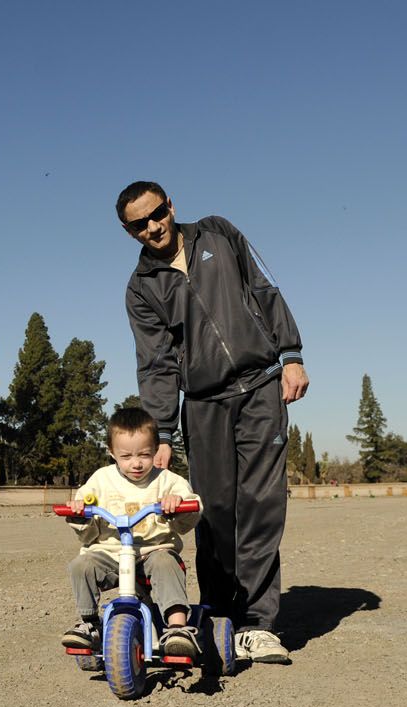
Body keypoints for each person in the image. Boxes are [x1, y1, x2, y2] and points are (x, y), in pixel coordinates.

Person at [118, 180, 309, 665]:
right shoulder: (142, 289)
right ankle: (220, 616)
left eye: (156, 214)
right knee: (214, 511)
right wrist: (160, 430)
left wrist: (290, 355)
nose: (152, 227)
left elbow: (264, 287)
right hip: (203, 404)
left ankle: (257, 624)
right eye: (139, 224)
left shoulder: (218, 233)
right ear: (129, 232)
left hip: (261, 385)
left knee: (263, 505)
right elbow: (156, 363)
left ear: (170, 207)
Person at [59, 407, 202, 657]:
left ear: (157, 449)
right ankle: (90, 624)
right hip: (110, 554)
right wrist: (79, 512)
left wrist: (177, 504)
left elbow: (191, 510)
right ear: (111, 452)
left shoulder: (168, 481)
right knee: (81, 565)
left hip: (152, 552)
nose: (136, 463)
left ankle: (178, 628)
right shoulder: (101, 480)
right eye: (126, 456)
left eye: (145, 454)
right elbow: (87, 533)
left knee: (165, 563)